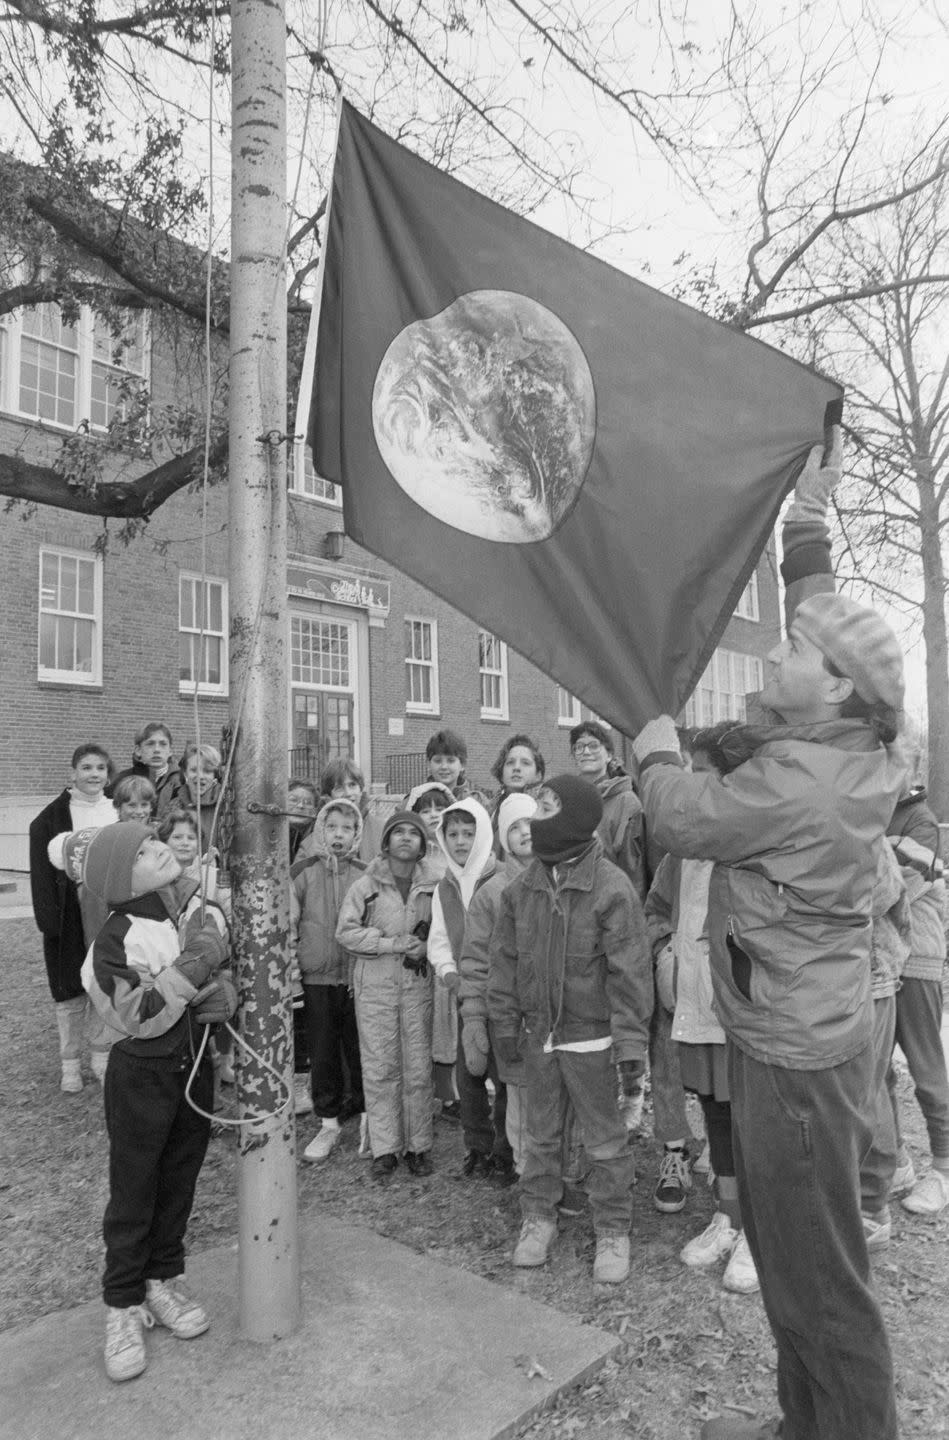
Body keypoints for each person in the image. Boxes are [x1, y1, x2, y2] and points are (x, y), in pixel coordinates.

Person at [632, 430, 906, 1440]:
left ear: (832, 686)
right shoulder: (844, 738)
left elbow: (682, 817)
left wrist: (653, 742)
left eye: (794, 651)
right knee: (793, 1261)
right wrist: (805, 521)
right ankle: (807, 1425)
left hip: (793, 1059)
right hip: (789, 1034)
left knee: (817, 1280)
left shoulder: (801, 779)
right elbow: (822, 621)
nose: (778, 649)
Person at [60, 821, 234, 1383]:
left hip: (192, 1068)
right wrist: (197, 968)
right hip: (141, 1078)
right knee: (135, 1190)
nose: (163, 846)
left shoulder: (182, 908)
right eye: (146, 849)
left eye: (158, 840)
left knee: (180, 1178)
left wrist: (218, 990)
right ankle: (122, 1304)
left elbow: (209, 962)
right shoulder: (112, 941)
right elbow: (140, 1012)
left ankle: (163, 1281)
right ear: (120, 877)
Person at [489, 774, 652, 1284]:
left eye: (549, 806)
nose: (537, 818)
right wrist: (502, 1027)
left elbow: (630, 974)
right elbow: (504, 964)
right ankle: (538, 1218)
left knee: (605, 1142)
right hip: (540, 1038)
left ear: (576, 819)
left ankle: (612, 1228)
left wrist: (629, 1045)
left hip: (593, 1041)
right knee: (540, 1137)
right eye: (537, 807)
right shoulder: (521, 891)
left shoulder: (611, 889)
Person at [645, 724, 759, 1294]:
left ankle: (760, 1234)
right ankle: (729, 1215)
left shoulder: (754, 847)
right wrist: (664, 948)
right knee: (716, 1111)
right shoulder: (681, 852)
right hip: (695, 1005)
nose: (690, 783)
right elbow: (657, 910)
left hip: (744, 1012)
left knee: (753, 1116)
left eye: (701, 773)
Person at [336, 810, 439, 1180]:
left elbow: (444, 932)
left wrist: (426, 947)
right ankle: (385, 1148)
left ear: (424, 843)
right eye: (399, 833)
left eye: (414, 833)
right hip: (375, 987)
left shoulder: (434, 885)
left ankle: (419, 1145)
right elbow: (346, 933)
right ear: (386, 841)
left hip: (417, 986)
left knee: (416, 1066)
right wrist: (391, 944)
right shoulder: (366, 886)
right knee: (380, 1066)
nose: (406, 839)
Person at [427, 799, 510, 1178]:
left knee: (504, 1073)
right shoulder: (443, 887)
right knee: (469, 1073)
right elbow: (439, 938)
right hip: (466, 994)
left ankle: (505, 1147)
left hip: (503, 995)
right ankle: (477, 1145)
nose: (461, 841)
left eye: (468, 832)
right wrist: (448, 973)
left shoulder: (500, 878)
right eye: (452, 834)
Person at [29, 743, 117, 1092]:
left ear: (108, 775)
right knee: (69, 991)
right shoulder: (49, 820)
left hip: (108, 910)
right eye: (86, 767)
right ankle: (70, 1064)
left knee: (102, 983)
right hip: (68, 913)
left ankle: (101, 1055)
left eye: (100, 768)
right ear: (73, 773)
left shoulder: (117, 812)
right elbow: (40, 875)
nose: (93, 774)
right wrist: (49, 922)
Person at [459, 792, 538, 1177]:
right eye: (515, 827)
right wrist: (474, 1018)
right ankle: (518, 1165)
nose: (525, 833)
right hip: (508, 1014)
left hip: (551, 1016)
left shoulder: (557, 881)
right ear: (502, 837)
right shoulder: (491, 894)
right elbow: (474, 961)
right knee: (514, 1094)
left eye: (531, 824)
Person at [290, 797, 367, 1162]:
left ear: (357, 833)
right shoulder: (302, 871)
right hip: (317, 978)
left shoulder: (367, 874)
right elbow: (287, 923)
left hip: (357, 979)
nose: (339, 834)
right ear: (321, 829)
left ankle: (370, 1115)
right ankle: (329, 1121)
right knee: (322, 1052)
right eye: (332, 826)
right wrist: (292, 969)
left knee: (360, 1049)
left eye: (347, 827)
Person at [885, 782, 949, 1216]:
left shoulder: (918, 818)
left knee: (925, 1066)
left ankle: (943, 1169)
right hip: (876, 956)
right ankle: (895, 1159)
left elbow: (898, 882)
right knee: (874, 1070)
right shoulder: (864, 807)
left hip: (915, 954)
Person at [406, 779, 458, 1116]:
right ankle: (426, 1091)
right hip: (420, 950)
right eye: (426, 810)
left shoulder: (459, 851)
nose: (434, 815)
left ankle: (453, 1093)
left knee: (450, 1022)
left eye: (440, 809)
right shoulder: (414, 859)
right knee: (423, 1023)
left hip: (451, 949)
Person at [315, 757, 385, 864]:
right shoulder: (316, 836)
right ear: (328, 795)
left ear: (361, 789)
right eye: (339, 788)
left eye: (352, 785)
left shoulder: (382, 830)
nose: (348, 793)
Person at [111, 722, 183, 817]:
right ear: (138, 750)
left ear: (170, 751)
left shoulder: (182, 781)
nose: (157, 749)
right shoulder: (121, 780)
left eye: (163, 744)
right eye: (150, 744)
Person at [487, 734, 545, 846]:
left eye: (525, 763)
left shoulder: (546, 810)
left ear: (538, 774)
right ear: (501, 773)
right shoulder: (491, 810)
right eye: (510, 762)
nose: (516, 768)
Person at [424, 728, 481, 801]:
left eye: (451, 761)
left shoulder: (476, 801)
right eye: (438, 761)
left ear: (462, 764)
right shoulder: (418, 800)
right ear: (428, 764)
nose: (444, 767)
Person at [288, 777, 319, 864]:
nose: (300, 806)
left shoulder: (318, 839)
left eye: (308, 802)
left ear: (314, 812)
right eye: (293, 800)